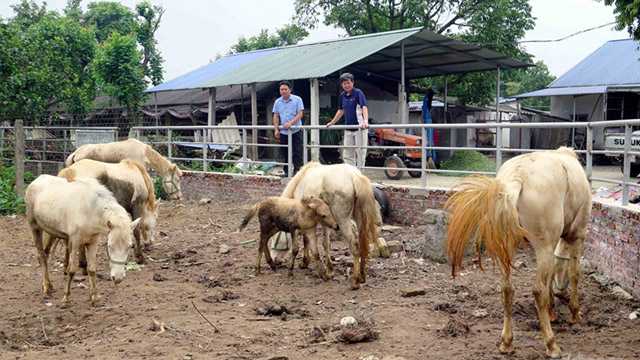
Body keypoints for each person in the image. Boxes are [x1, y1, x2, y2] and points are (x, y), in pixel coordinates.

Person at [326, 73, 369, 166]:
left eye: (348, 83)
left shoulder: (358, 93)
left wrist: (365, 121)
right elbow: (341, 110)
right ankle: (351, 173)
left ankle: (359, 174)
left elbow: (364, 107)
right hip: (348, 128)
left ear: (353, 82)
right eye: (344, 83)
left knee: (360, 153)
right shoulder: (342, 95)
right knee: (347, 154)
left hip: (359, 128)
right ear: (341, 84)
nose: (347, 85)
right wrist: (332, 122)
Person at [273, 80, 304, 176]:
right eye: (281, 89)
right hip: (284, 132)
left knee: (297, 150)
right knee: (285, 151)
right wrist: (276, 129)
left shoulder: (297, 99)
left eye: (285, 89)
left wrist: (290, 123)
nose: (283, 91)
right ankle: (286, 171)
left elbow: (300, 114)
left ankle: (297, 170)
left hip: (295, 130)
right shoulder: (277, 101)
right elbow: (276, 116)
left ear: (290, 90)